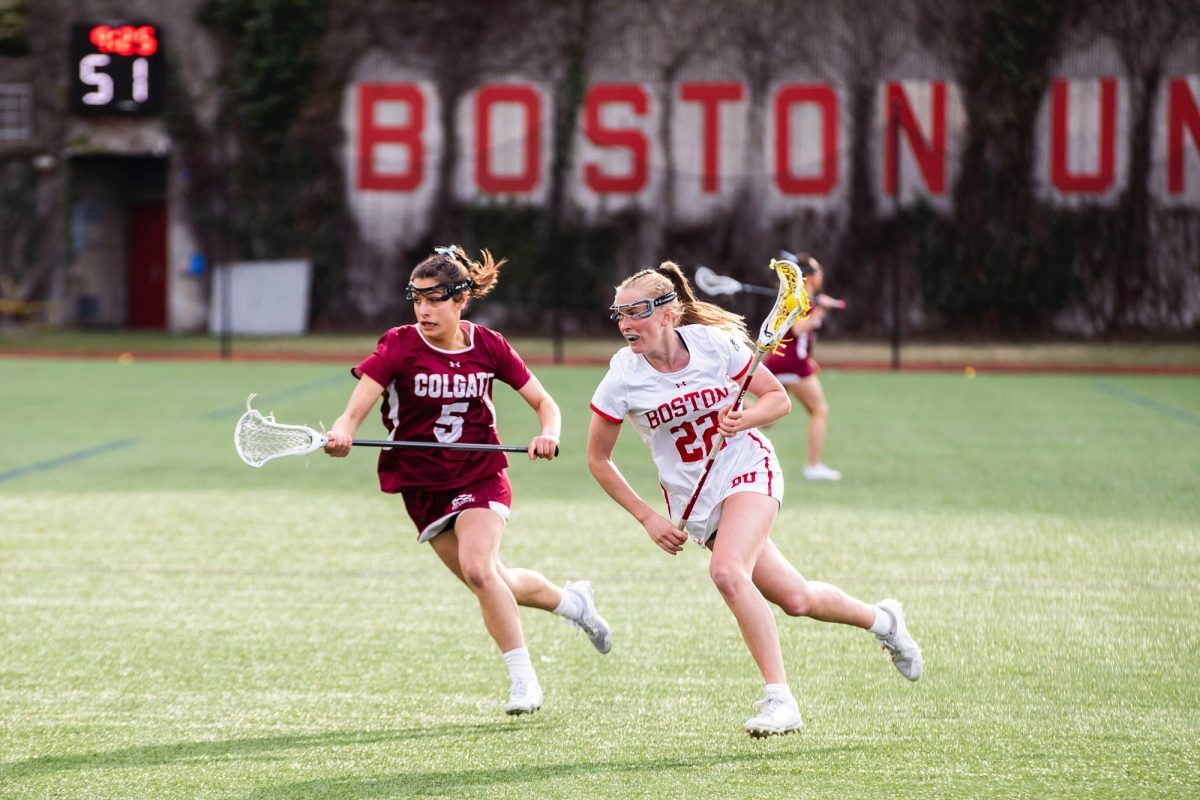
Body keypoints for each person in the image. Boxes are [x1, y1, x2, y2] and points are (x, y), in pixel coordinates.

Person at [586, 261, 921, 738]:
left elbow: (778, 400)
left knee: (726, 572)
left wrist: (743, 419)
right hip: (696, 501)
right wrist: (646, 517)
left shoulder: (713, 345)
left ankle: (780, 700)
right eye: (618, 314)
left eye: (635, 311)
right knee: (796, 598)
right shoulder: (622, 377)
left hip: (748, 467)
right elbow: (599, 459)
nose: (624, 323)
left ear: (667, 314)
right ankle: (883, 619)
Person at [324, 244, 612, 716]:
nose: (423, 310)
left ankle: (524, 683)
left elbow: (546, 404)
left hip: (481, 473)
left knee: (480, 569)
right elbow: (355, 408)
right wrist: (343, 431)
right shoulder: (398, 343)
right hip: (420, 486)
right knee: (496, 581)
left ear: (461, 301)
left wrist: (548, 435)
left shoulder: (490, 346)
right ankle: (573, 603)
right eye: (416, 299)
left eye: (434, 299)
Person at [764, 251, 845, 481]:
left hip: (783, 360)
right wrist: (822, 309)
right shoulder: (802, 299)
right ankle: (814, 466)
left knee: (769, 419)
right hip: (792, 365)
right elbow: (799, 330)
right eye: (818, 271)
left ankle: (735, 409)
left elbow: (795, 337)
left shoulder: (798, 297)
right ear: (808, 276)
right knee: (820, 410)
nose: (822, 275)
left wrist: (808, 358)